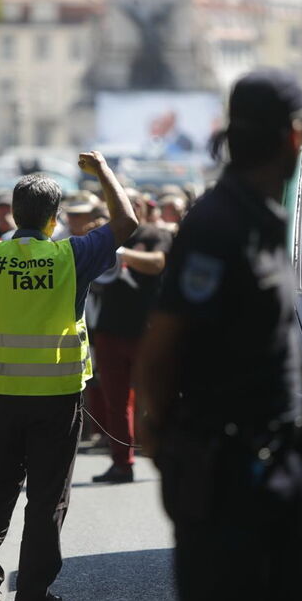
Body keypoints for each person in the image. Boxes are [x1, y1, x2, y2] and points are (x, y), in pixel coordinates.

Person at [137, 70, 302, 601]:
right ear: (293, 134)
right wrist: (164, 443)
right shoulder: (218, 224)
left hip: (280, 464)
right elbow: (160, 346)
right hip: (226, 478)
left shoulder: (264, 218)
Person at [0, 154, 137, 601]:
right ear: (54, 218)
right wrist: (103, 172)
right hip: (57, 398)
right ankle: (33, 592)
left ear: (13, 213)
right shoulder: (70, 255)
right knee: (47, 499)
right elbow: (127, 222)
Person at [91, 189, 172, 483]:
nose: (129, 206)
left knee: (155, 397)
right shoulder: (105, 235)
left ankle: (166, 459)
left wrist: (122, 254)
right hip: (109, 329)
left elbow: (158, 263)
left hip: (145, 331)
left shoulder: (154, 234)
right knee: (116, 401)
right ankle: (122, 463)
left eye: (134, 202)